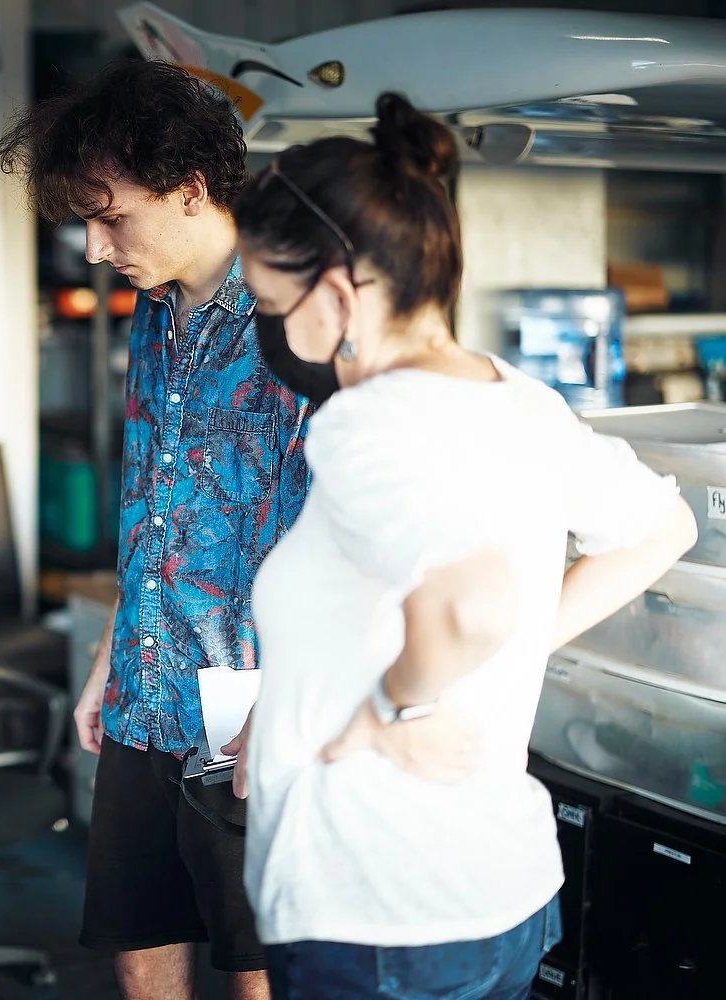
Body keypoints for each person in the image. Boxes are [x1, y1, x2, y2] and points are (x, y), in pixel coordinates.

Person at [232, 93, 698, 999]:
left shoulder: (368, 421)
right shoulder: (517, 398)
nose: (272, 330)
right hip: (499, 894)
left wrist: (393, 710)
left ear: (335, 295)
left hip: (377, 914)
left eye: (269, 302)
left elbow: (470, 601)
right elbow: (662, 528)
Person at [0, 61, 311, 1000]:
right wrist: (108, 655)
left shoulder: (294, 319)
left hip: (253, 702)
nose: (94, 250)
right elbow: (152, 505)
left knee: (259, 967)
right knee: (139, 945)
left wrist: (291, 700)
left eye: (110, 217)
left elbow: (336, 535)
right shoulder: (151, 310)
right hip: (146, 683)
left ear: (190, 191)